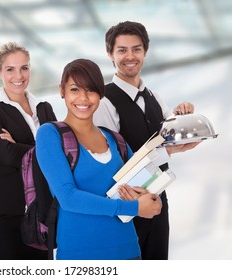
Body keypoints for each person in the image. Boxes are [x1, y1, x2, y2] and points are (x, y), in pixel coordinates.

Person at [35, 58, 162, 260]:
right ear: (62, 91)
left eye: (91, 90)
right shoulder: (50, 134)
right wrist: (135, 207)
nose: (83, 98)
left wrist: (153, 200)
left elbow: (146, 185)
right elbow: (68, 197)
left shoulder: (116, 139)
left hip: (128, 252)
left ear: (101, 93)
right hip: (80, 257)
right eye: (75, 89)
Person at [93, 21, 199, 260]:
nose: (130, 56)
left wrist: (182, 116)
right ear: (110, 54)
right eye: (122, 50)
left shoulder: (153, 96)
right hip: (126, 202)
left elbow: (166, 138)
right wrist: (170, 153)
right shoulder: (104, 101)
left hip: (158, 196)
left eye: (136, 49)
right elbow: (113, 159)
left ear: (145, 52)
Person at [0, 42, 57, 260]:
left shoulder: (44, 107)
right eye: (10, 69)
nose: (18, 75)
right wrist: (44, 151)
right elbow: (5, 155)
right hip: (4, 210)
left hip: (42, 210)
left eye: (24, 67)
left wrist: (18, 146)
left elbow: (59, 154)